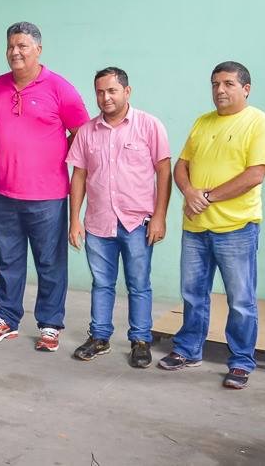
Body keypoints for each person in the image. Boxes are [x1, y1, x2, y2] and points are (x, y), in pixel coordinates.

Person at [160, 61, 265, 390]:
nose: (220, 90)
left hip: (236, 228)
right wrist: (189, 192)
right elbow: (181, 165)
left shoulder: (260, 123)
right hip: (196, 227)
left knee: (240, 300)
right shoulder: (203, 121)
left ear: (246, 88)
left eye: (228, 84)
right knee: (192, 294)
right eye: (215, 84)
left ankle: (241, 361)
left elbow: (254, 175)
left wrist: (207, 197)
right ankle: (188, 349)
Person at [0, 21, 90, 351]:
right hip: (3, 194)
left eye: (23, 46)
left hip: (48, 197)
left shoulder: (59, 88)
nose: (15, 52)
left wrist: (54, 156)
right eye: (11, 46)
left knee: (50, 263)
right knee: (8, 260)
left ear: (38, 50)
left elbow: (83, 135)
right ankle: (7, 318)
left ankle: (50, 324)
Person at [66, 67, 171, 368]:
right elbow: (79, 176)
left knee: (139, 284)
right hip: (98, 223)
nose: (106, 97)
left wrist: (160, 216)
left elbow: (164, 171)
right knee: (101, 283)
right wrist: (74, 220)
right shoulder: (87, 132)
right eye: (100, 92)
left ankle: (140, 340)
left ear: (127, 91)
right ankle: (99, 337)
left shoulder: (149, 125)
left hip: (136, 223)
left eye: (112, 90)